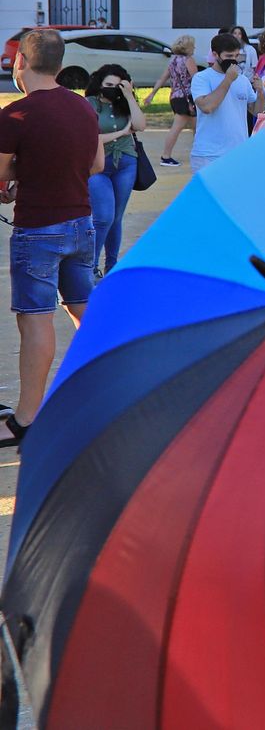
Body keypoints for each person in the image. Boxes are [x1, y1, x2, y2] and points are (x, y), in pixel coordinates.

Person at [0, 29, 103, 443]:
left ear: (21, 61)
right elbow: (95, 164)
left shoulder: (15, 115)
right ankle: (106, 395)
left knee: (35, 318)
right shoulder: (82, 108)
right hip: (81, 224)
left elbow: (1, 173)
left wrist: (16, 181)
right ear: (60, 65)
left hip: (37, 229)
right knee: (85, 312)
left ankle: (25, 418)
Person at [83, 65, 143, 275]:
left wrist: (129, 96)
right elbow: (90, 138)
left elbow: (140, 124)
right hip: (98, 165)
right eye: (108, 85)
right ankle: (90, 267)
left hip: (126, 164)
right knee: (103, 217)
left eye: (117, 85)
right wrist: (123, 133)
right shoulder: (88, 104)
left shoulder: (124, 103)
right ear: (99, 84)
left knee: (116, 218)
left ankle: (111, 267)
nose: (112, 89)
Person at [190, 32, 263, 172]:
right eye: (229, 56)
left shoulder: (242, 80)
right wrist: (228, 80)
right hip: (209, 155)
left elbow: (257, 111)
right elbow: (207, 107)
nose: (234, 60)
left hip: (238, 153)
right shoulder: (202, 78)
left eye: (236, 56)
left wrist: (260, 92)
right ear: (215, 54)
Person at [146, 34, 197, 167]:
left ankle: (198, 151)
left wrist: (152, 94)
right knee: (178, 127)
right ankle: (166, 156)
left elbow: (162, 79)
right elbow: (196, 79)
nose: (195, 48)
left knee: (197, 126)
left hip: (175, 97)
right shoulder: (188, 60)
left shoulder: (173, 61)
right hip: (187, 98)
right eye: (193, 45)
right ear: (188, 47)